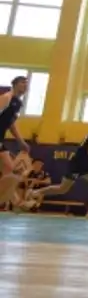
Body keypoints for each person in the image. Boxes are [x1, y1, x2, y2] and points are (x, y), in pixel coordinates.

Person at [31, 121, 88, 218]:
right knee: (63, 189)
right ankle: (36, 192)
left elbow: (87, 153)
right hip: (78, 164)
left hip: (83, 163)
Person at [0, 76, 31, 206]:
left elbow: (11, 124)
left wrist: (21, 141)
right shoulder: (6, 97)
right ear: (15, 84)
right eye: (22, 82)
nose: (25, 85)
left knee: (9, 169)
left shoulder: (17, 103)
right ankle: (17, 201)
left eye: (27, 83)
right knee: (9, 170)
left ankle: (16, 201)